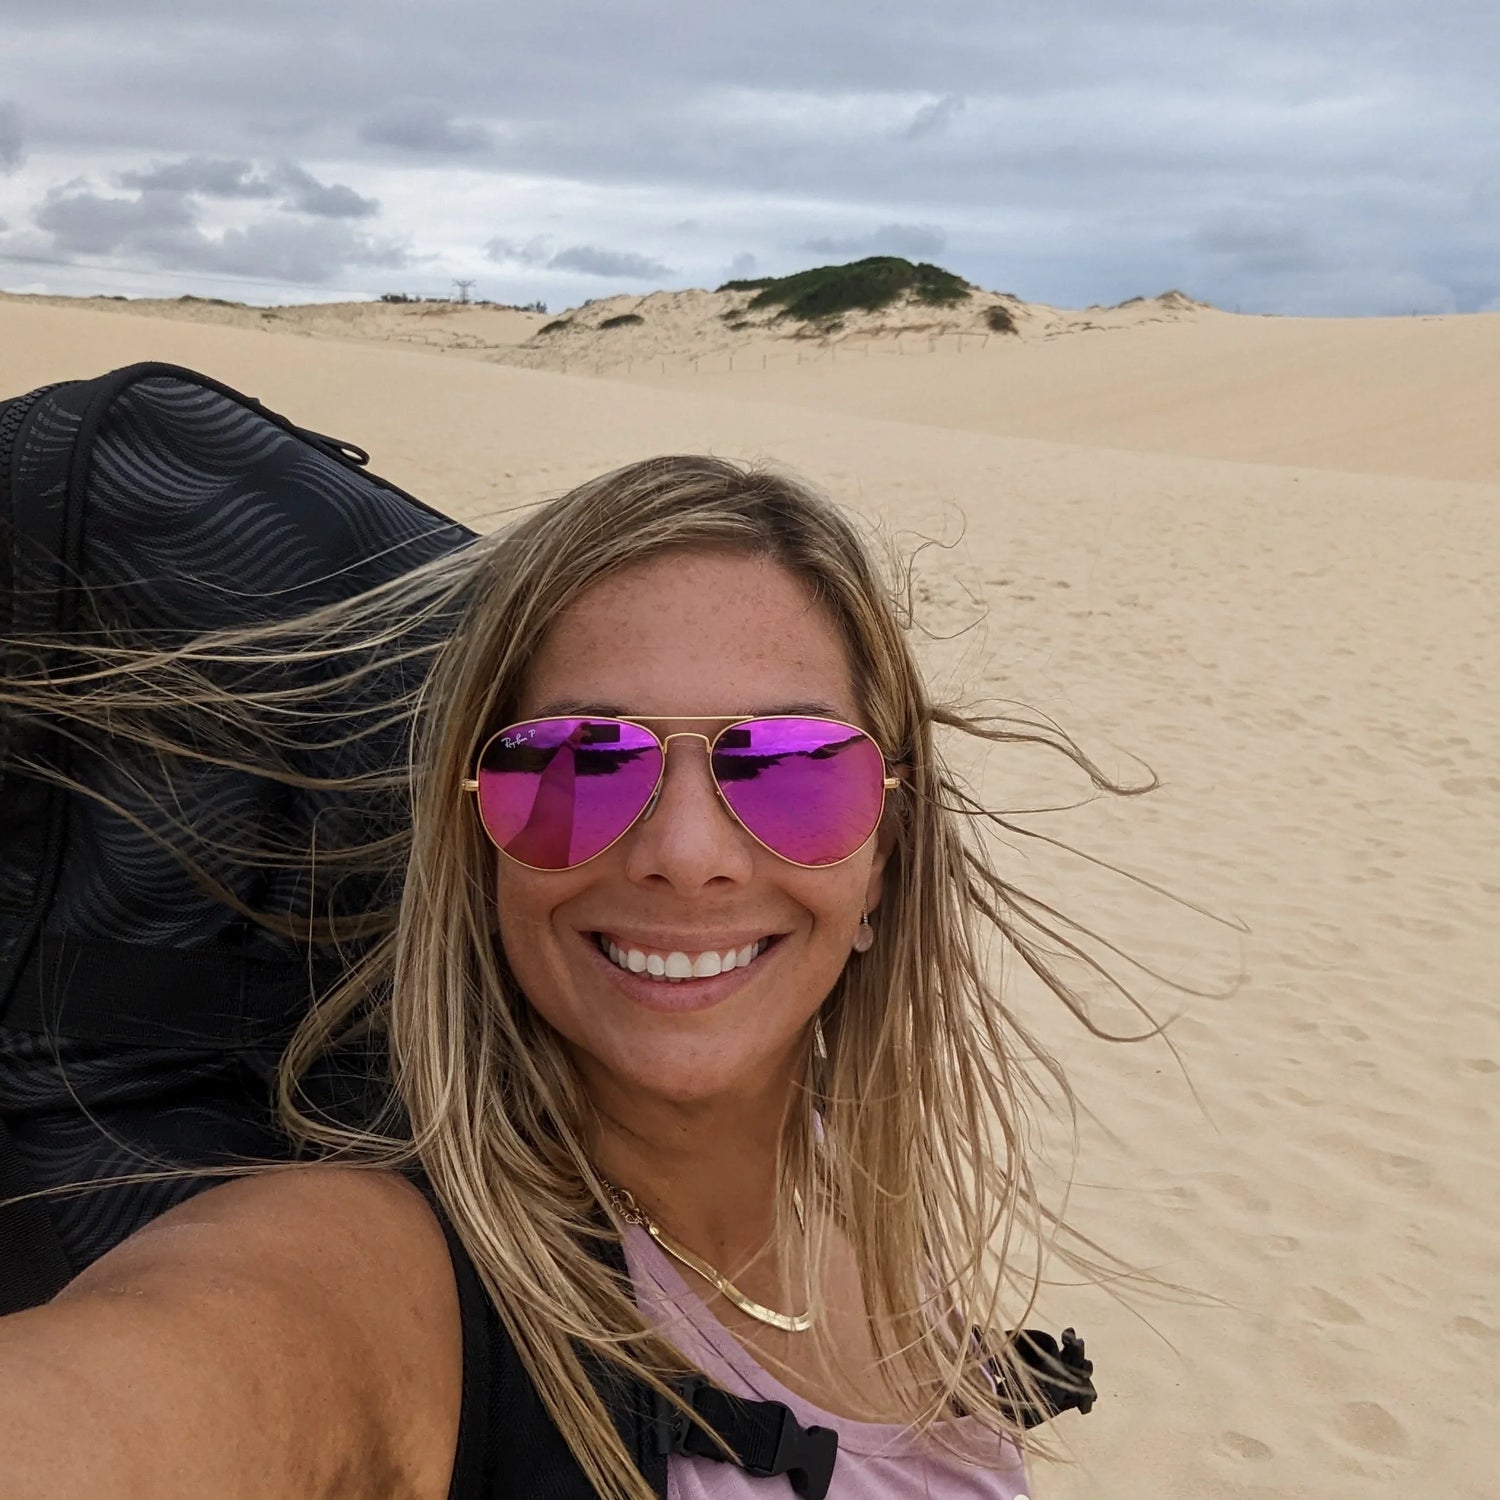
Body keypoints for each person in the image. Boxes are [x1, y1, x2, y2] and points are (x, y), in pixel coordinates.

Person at [0, 456, 1127, 1499]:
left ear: (884, 856)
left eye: (792, 767)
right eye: (580, 765)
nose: (687, 853)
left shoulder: (845, 1176)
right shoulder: (382, 1288)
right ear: (479, 850)